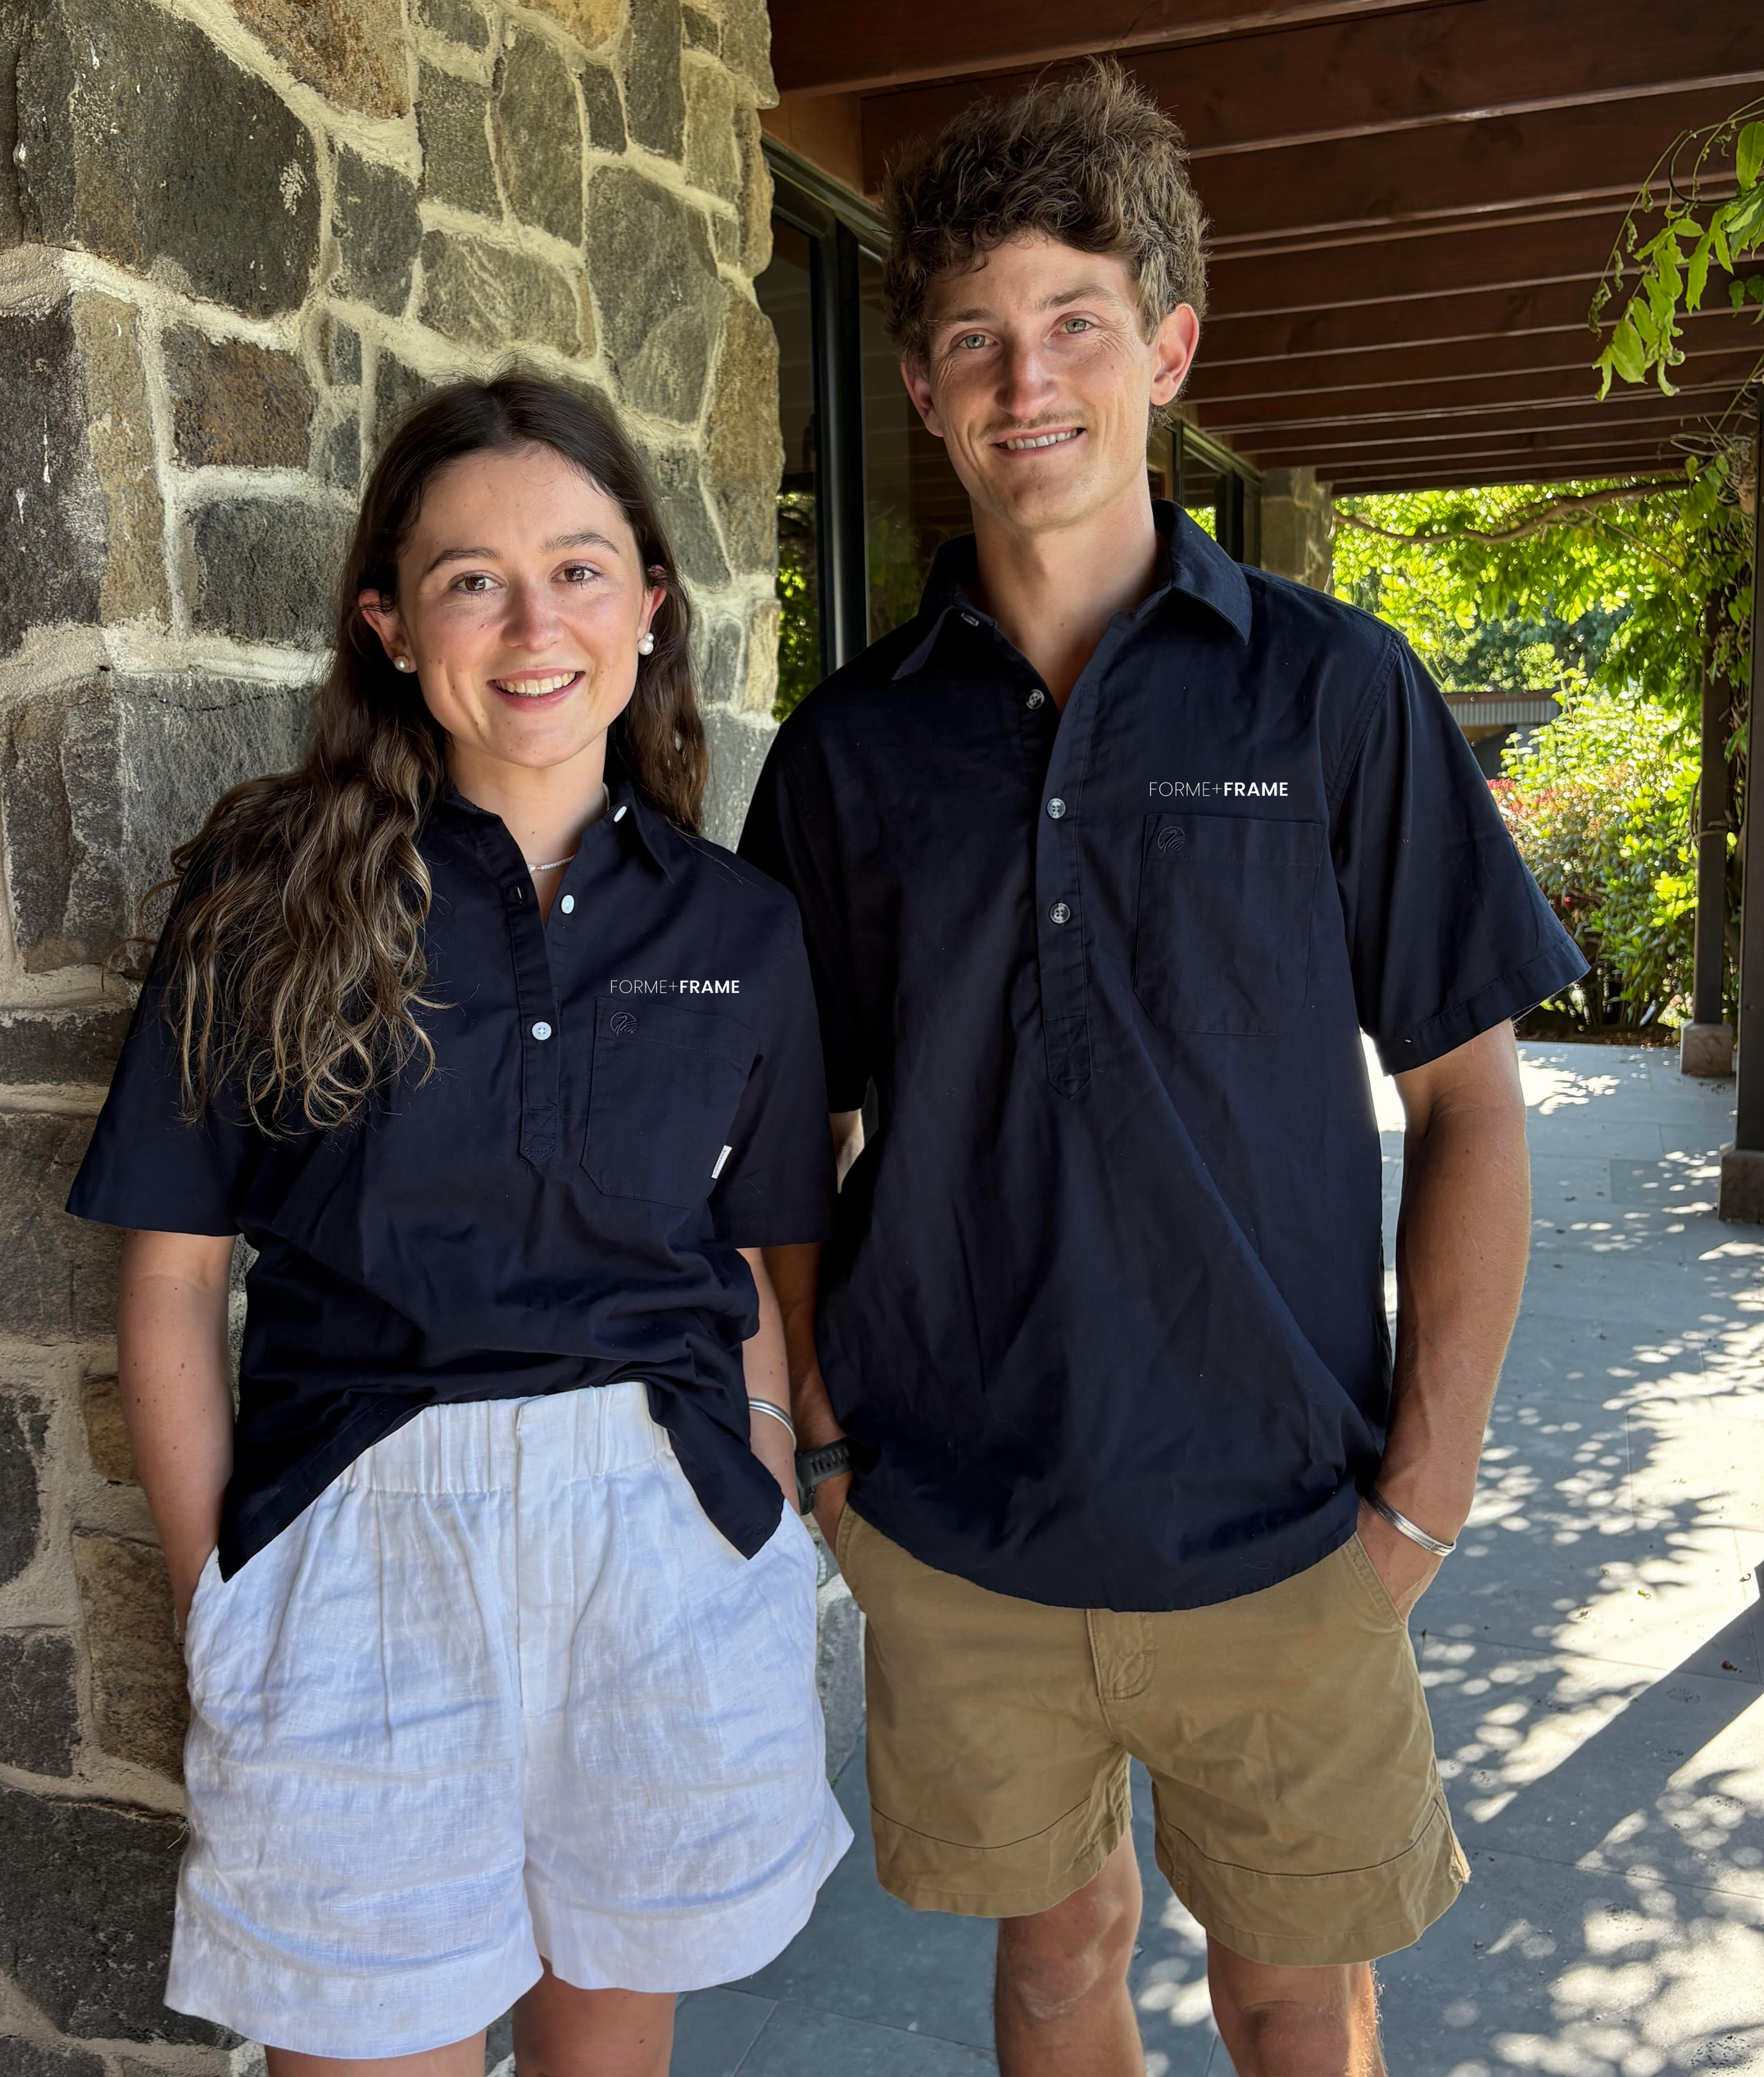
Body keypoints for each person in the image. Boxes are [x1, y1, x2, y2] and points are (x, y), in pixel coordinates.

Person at [741, 70, 1587, 2077]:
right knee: (1051, 1967)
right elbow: (783, 1140)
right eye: (969, 340)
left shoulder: (1331, 688)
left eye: (1072, 325)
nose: (1020, 379)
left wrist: (1422, 1495)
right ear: (930, 395)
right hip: (952, 1525)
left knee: (1300, 1994)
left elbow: (1470, 1099)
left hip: (1286, 1524)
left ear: (1165, 350)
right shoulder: (847, 753)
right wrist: (833, 1454)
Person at [69, 374, 851, 2077]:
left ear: (648, 602)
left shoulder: (742, 925)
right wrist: (224, 1591)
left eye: (577, 568)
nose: (530, 623)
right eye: (468, 578)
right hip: (359, 1552)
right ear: (388, 620)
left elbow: (751, 1261)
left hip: (661, 1551)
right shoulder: (267, 904)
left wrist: (770, 1481)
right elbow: (174, 1274)